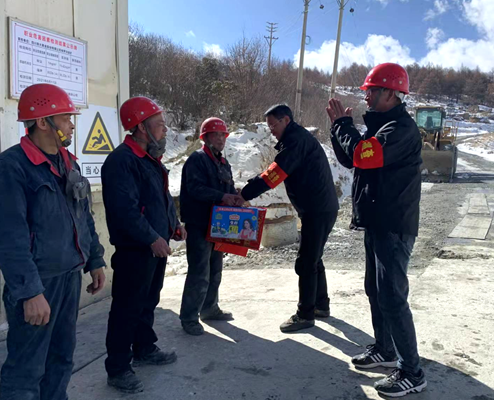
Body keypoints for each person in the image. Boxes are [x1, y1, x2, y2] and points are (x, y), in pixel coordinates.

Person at [0, 83, 106, 400]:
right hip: (38, 283)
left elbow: (84, 217)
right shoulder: (8, 169)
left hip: (69, 277)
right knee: (26, 369)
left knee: (61, 359)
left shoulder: (69, 164)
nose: (71, 125)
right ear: (42, 121)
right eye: (65, 118)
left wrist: (94, 259)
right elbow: (8, 240)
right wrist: (30, 292)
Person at [326, 62, 427, 397]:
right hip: (377, 222)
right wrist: (337, 128)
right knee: (376, 289)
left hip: (393, 224)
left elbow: (363, 155)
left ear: (391, 93)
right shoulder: (381, 126)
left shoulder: (401, 129)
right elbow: (351, 158)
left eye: (371, 90)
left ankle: (412, 371)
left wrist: (344, 125)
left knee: (393, 297)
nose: (366, 96)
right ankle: (385, 349)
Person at [101, 96, 186, 393]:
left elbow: (161, 199)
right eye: (159, 124)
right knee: (126, 309)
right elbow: (125, 210)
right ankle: (118, 368)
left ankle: (144, 348)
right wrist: (151, 237)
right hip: (135, 251)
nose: (165, 129)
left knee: (148, 302)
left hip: (155, 247)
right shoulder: (122, 161)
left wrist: (174, 225)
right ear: (140, 127)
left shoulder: (150, 159)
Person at [240, 104, 339, 333]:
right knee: (314, 258)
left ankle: (305, 314)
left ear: (286, 120)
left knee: (306, 262)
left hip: (317, 209)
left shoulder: (295, 141)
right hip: (319, 208)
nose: (271, 131)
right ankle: (320, 305)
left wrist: (244, 194)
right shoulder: (296, 139)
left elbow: (274, 174)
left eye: (273, 125)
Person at [179, 117, 243, 336]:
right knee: (199, 271)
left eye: (223, 135)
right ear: (205, 137)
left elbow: (228, 188)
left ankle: (209, 308)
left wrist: (236, 197)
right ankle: (189, 317)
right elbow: (195, 188)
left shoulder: (222, 163)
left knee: (215, 269)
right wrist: (222, 196)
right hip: (199, 224)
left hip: (219, 225)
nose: (221, 139)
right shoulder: (197, 160)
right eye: (216, 134)